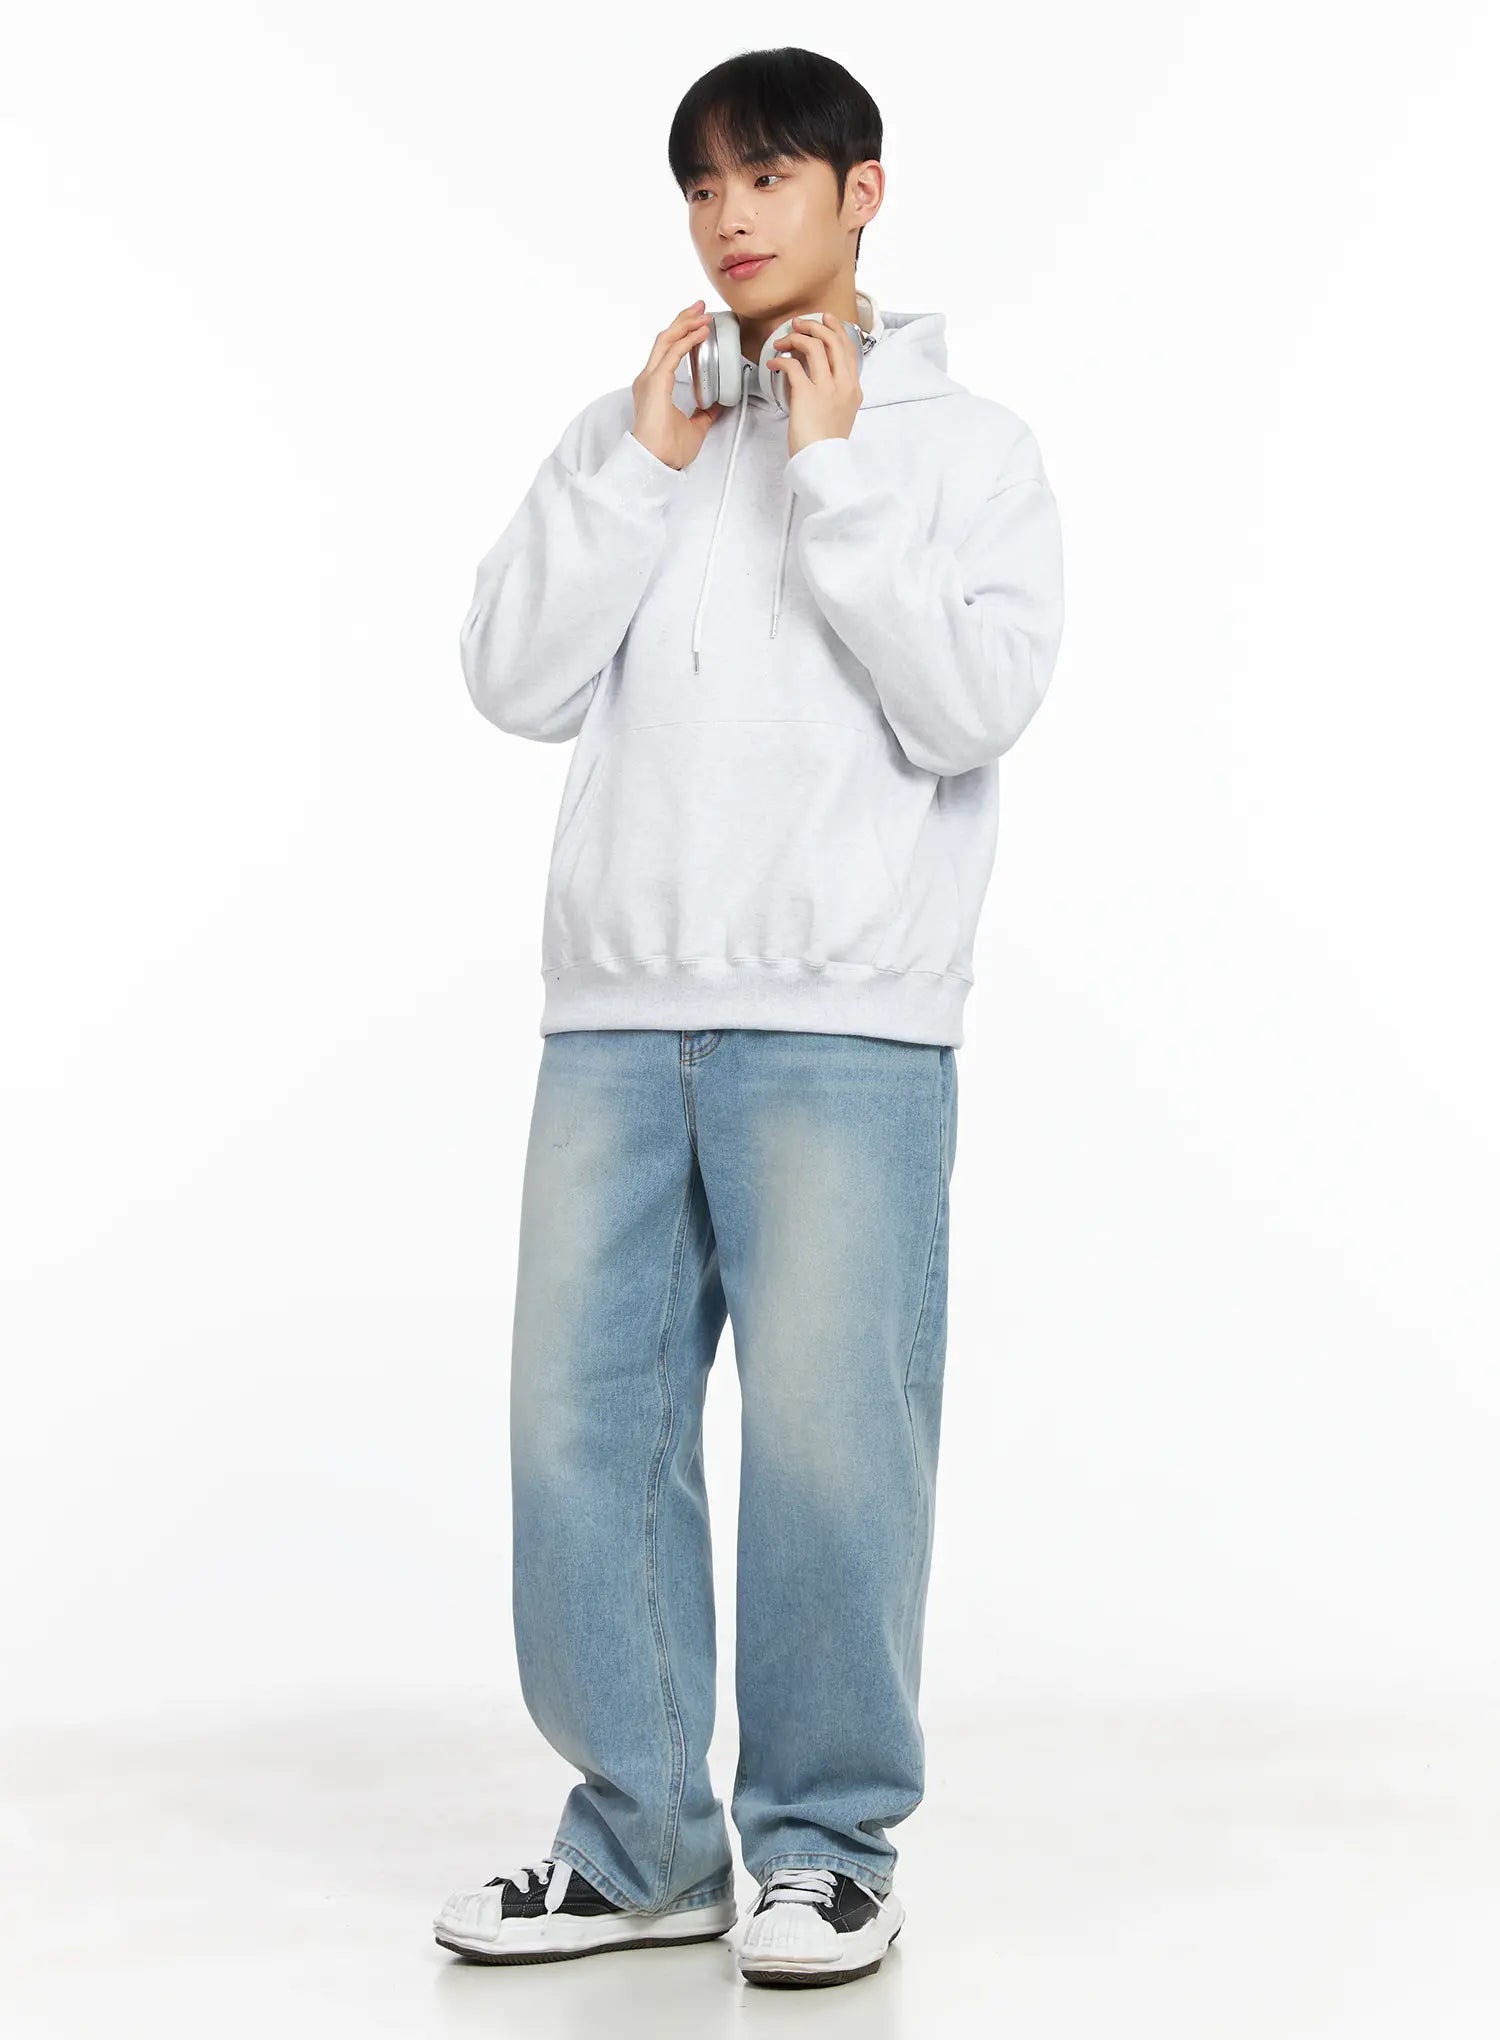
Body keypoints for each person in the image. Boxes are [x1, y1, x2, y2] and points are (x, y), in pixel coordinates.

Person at [433, 45, 1064, 1990]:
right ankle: (640, 1843)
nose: (727, 218)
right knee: (581, 1435)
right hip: (617, 1018)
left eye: (767, 177)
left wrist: (841, 469)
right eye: (702, 186)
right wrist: (639, 467)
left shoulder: (966, 451)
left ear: (861, 192)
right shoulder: (638, 428)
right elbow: (512, 679)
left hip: (848, 1029)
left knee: (830, 1452)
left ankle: (825, 1848)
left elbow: (970, 711)